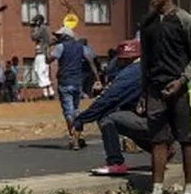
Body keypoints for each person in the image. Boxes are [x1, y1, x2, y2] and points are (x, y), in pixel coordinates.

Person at [136, 0, 191, 194]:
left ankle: (190, 191)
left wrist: (183, 79)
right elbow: (145, 59)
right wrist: (144, 91)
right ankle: (156, 193)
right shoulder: (146, 23)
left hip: (180, 90)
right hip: (155, 90)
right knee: (158, 140)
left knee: (186, 139)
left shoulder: (186, 20)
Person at [71, 39, 170, 175]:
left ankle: (115, 162)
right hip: (166, 122)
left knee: (106, 118)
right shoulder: (150, 67)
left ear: (126, 59)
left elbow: (108, 100)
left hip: (156, 123)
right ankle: (163, 150)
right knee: (125, 116)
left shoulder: (132, 72)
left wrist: (81, 120)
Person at [48, 26, 101, 150]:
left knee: (68, 112)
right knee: (76, 110)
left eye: (59, 36)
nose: (57, 38)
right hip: (78, 82)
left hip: (65, 82)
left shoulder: (60, 47)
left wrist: (47, 47)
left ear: (66, 36)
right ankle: (78, 135)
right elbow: (90, 61)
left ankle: (74, 138)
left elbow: (47, 60)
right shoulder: (80, 47)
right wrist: (98, 79)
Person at [30, 14, 54, 99]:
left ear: (40, 21)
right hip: (40, 53)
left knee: (40, 71)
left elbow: (34, 37)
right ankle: (50, 91)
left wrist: (33, 28)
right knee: (41, 72)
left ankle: (46, 93)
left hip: (42, 53)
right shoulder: (42, 28)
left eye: (36, 20)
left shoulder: (42, 28)